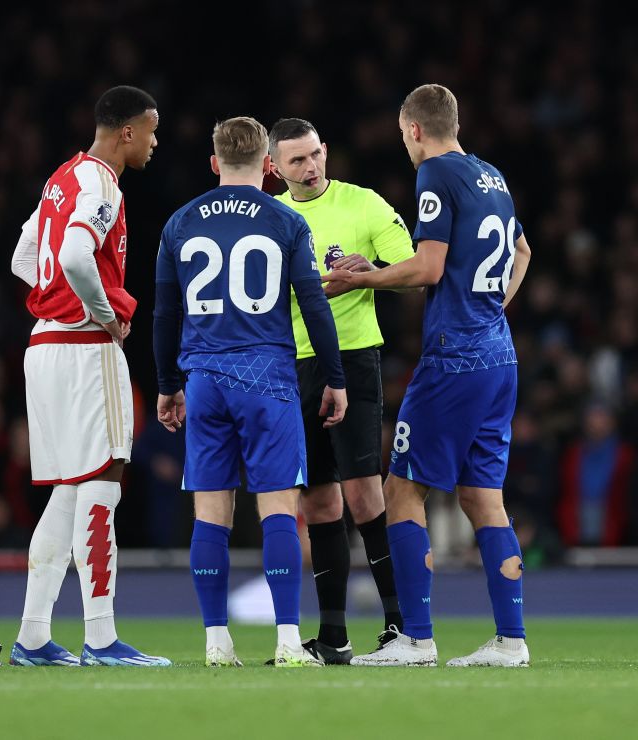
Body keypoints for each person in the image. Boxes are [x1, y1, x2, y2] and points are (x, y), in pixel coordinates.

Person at [324, 84, 534, 667]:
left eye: (402, 136)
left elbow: (429, 267)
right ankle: (511, 641)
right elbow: (522, 252)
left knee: (401, 489)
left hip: (454, 360)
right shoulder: (491, 176)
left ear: (414, 129)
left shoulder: (435, 175)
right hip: (499, 357)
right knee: (482, 497)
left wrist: (363, 278)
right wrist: (489, 309)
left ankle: (414, 638)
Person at [154, 116, 347, 668]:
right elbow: (313, 305)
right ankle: (289, 641)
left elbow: (166, 314)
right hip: (268, 380)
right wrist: (334, 377)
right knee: (280, 509)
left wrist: (169, 385)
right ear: (268, 166)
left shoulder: (180, 224)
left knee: (210, 514)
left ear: (214, 162)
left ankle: (217, 643)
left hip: (206, 380)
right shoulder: (286, 220)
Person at [9, 85, 170, 667]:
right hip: (82, 347)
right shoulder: (102, 181)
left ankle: (32, 636)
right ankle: (100, 638)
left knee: (69, 493)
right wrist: (102, 313)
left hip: (44, 349)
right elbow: (76, 257)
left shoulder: (62, 177)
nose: (155, 142)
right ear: (128, 131)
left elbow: (23, 259)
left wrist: (55, 304)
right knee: (102, 481)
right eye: (151, 130)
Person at [265, 118, 414, 663]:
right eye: (296, 161)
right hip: (289, 365)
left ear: (325, 150)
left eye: (314, 155)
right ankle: (334, 636)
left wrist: (370, 273)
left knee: (364, 494)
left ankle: (404, 627)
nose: (309, 168)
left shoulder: (364, 204)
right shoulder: (272, 218)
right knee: (320, 502)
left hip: (353, 358)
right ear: (274, 167)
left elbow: (415, 267)